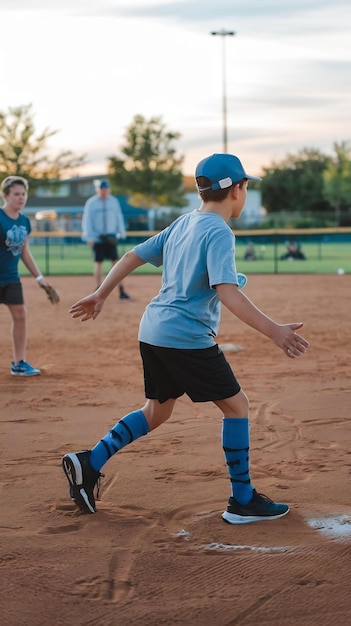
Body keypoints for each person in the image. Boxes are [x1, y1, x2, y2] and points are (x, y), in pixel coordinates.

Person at [62, 153, 309, 523]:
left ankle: (89, 462)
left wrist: (101, 293)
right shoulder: (220, 231)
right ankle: (242, 500)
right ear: (236, 190)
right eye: (244, 186)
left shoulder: (184, 223)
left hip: (153, 330)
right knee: (237, 406)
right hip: (185, 336)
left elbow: (132, 255)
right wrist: (275, 331)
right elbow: (227, 292)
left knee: (156, 411)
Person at [0, 176, 58, 376]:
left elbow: (24, 252)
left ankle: (19, 362)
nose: (21, 198)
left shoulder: (24, 221)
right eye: (16, 194)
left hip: (11, 278)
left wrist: (39, 278)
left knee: (20, 316)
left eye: (23, 194)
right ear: (5, 196)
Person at [82, 180, 130, 299]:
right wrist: (89, 236)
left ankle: (121, 290)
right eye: (101, 189)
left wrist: (121, 232)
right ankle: (98, 288)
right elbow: (87, 220)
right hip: (98, 237)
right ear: (98, 190)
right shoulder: (91, 202)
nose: (104, 191)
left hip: (111, 236)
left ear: (109, 190)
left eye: (105, 189)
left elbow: (118, 217)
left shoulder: (113, 201)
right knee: (98, 262)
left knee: (116, 262)